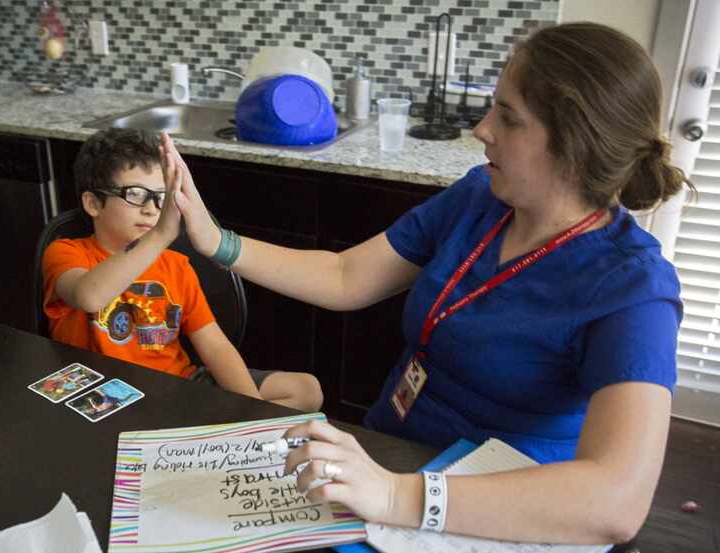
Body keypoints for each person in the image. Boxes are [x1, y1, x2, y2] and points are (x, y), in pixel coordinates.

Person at [162, 22, 693, 545]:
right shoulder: (480, 199)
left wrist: (396, 497)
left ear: (574, 146)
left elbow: (617, 500)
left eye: (507, 117)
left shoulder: (634, 287)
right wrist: (217, 243)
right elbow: (346, 276)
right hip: (392, 454)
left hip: (499, 509)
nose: (482, 130)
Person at [42, 128, 323, 411]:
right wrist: (160, 235)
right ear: (93, 203)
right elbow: (89, 296)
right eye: (136, 194)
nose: (152, 209)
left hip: (179, 385)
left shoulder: (177, 266)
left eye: (162, 197)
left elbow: (215, 345)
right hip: (105, 395)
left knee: (306, 389)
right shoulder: (65, 253)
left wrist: (251, 409)